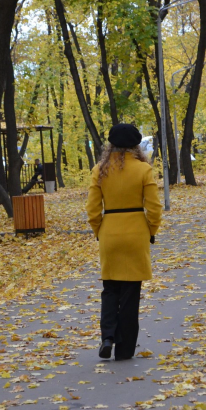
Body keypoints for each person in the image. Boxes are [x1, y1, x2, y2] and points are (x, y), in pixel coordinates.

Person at [86, 124, 162, 361]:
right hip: (136, 232)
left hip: (110, 232)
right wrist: (150, 229)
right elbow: (154, 208)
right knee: (130, 293)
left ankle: (107, 336)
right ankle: (125, 349)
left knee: (110, 290)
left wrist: (100, 230)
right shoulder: (143, 169)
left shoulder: (100, 170)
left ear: (110, 146)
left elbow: (92, 209)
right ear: (135, 146)